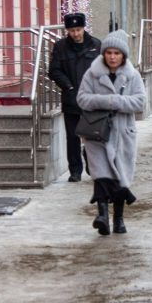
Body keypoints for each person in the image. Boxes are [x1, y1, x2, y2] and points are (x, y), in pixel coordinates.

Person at [77, 30, 146, 236]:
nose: (113, 57)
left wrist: (118, 102)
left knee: (119, 177)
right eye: (109, 53)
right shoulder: (92, 74)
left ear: (123, 55)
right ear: (103, 54)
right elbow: (82, 99)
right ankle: (102, 216)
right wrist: (105, 101)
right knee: (101, 175)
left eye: (117, 53)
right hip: (98, 132)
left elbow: (140, 101)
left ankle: (119, 218)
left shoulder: (132, 76)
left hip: (123, 133)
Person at [48, 11, 102, 182]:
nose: (76, 34)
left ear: (83, 28)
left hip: (92, 100)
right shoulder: (60, 47)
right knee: (72, 137)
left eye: (78, 29)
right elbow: (54, 70)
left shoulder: (96, 45)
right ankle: (75, 171)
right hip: (71, 98)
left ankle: (92, 166)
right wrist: (68, 86)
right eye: (72, 31)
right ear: (67, 31)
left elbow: (103, 70)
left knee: (93, 137)